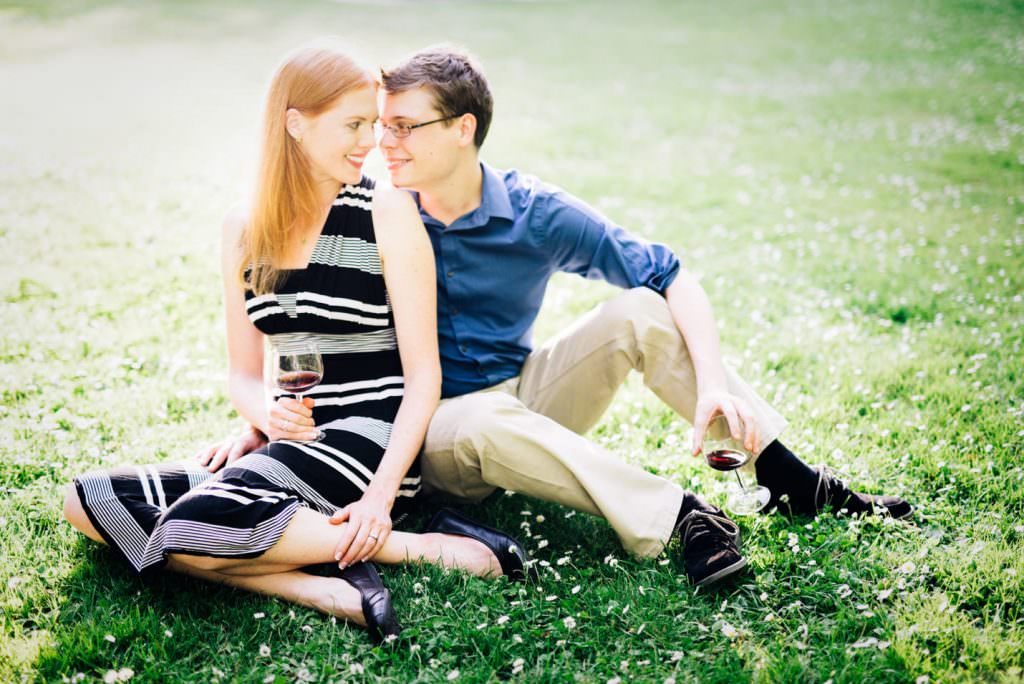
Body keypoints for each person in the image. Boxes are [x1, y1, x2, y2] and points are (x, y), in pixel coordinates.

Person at [202, 45, 912, 589]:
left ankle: (787, 475)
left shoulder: (533, 212)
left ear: (463, 130)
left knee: (640, 309)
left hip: (521, 394)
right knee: (482, 418)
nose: (382, 145)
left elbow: (671, 275)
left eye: (404, 128)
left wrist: (716, 384)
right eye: (379, 127)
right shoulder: (380, 209)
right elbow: (313, 321)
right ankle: (680, 515)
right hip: (431, 428)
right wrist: (263, 417)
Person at [62, 44, 533, 643]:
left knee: (186, 526)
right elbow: (242, 374)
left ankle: (394, 539)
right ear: (295, 124)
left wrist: (381, 498)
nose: (371, 142)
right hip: (290, 441)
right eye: (354, 125)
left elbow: (423, 378)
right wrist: (267, 417)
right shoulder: (242, 229)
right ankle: (339, 581)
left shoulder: (385, 211)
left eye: (375, 124)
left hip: (370, 437)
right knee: (88, 501)